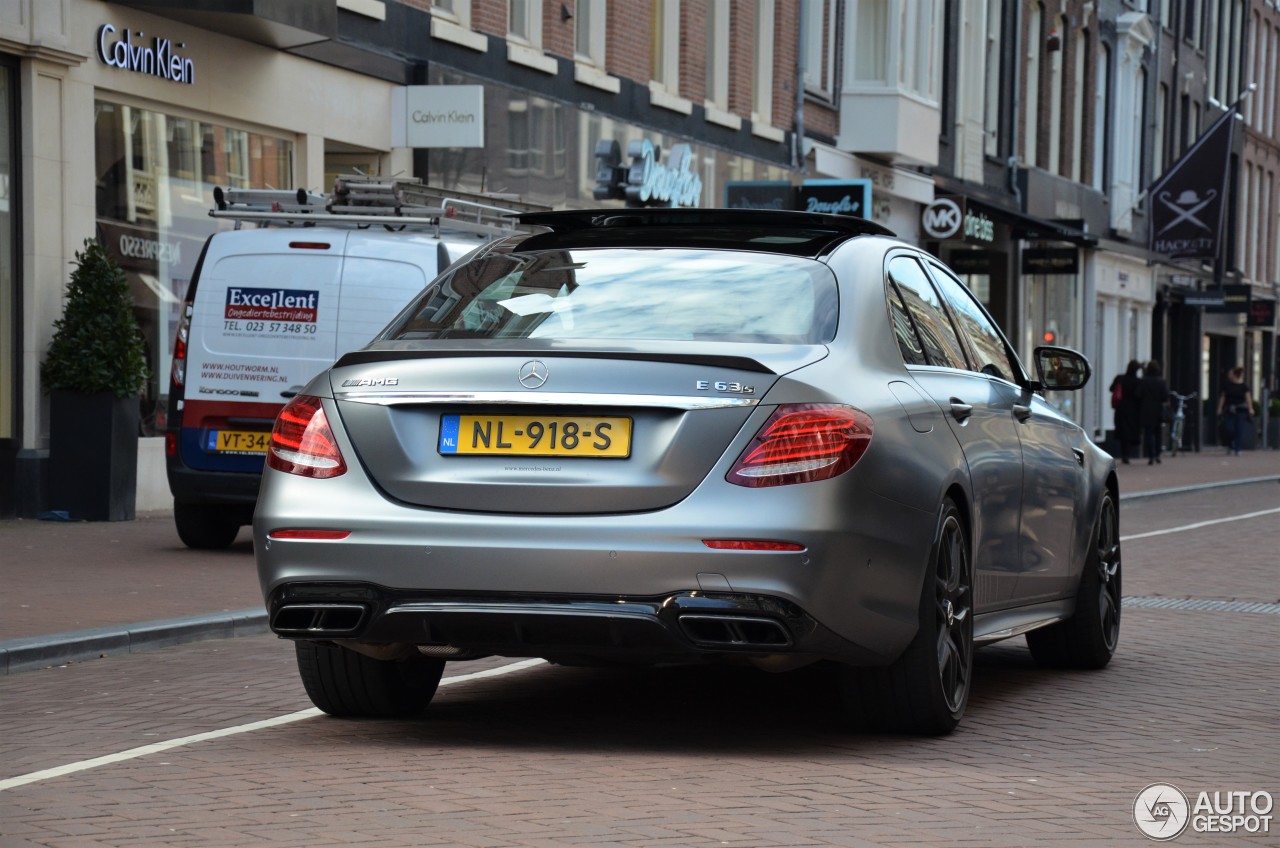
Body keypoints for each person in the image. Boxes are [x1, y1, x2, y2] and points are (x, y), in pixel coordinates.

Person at [1109, 360, 1142, 464]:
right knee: (1130, 431)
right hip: (1133, 410)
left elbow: (1111, 389)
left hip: (1120, 408)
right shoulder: (1137, 381)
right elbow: (1139, 395)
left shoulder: (1120, 378)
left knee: (1122, 430)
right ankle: (1126, 454)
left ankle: (1124, 453)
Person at [1138, 359, 1169, 465]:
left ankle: (1151, 455)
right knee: (1158, 433)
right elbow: (1165, 397)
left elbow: (1138, 394)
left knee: (1149, 433)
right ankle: (1157, 454)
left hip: (1146, 410)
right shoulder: (1161, 381)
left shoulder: (1143, 381)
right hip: (1158, 410)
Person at [1216, 366, 1254, 455]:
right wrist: (1220, 408)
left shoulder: (1244, 386)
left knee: (1239, 429)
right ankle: (1230, 444)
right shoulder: (1227, 385)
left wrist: (1250, 408)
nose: (1229, 375)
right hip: (1229, 410)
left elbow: (1248, 397)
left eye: (1230, 374)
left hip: (1241, 410)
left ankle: (1238, 449)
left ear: (1235, 375)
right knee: (1229, 428)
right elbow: (1223, 397)